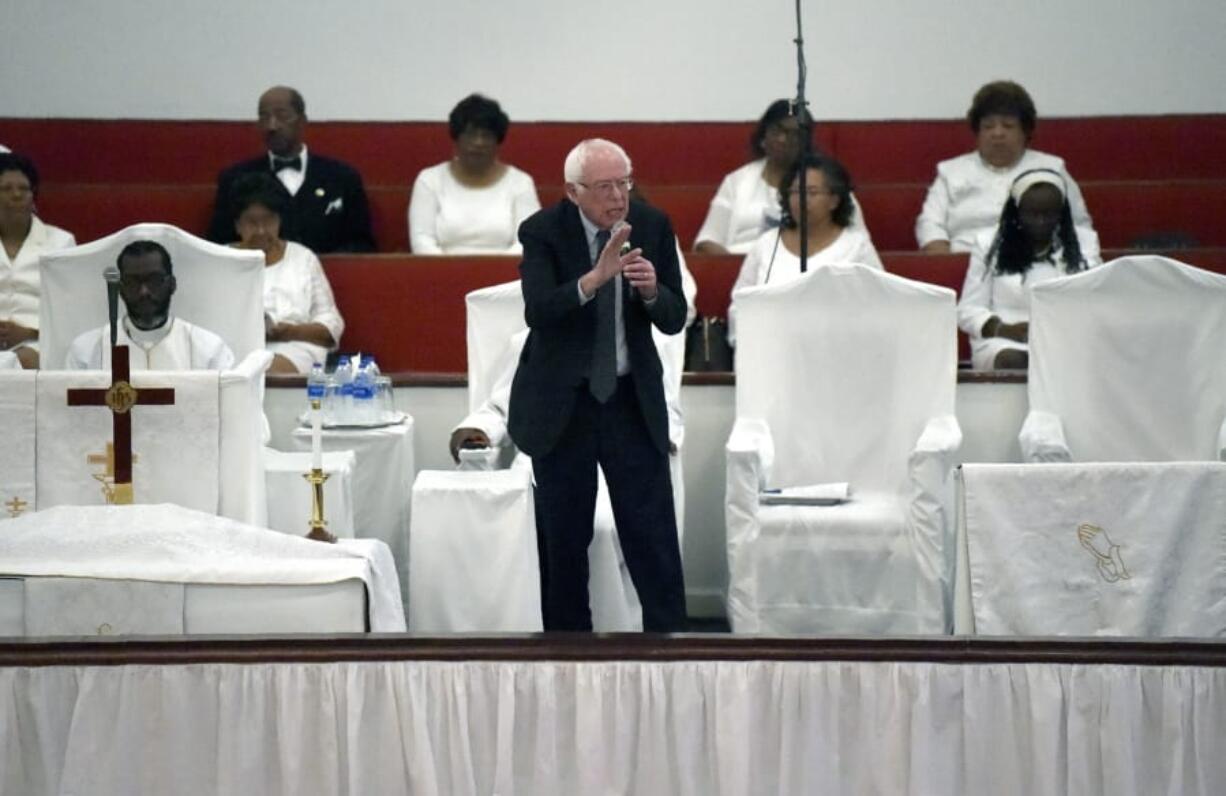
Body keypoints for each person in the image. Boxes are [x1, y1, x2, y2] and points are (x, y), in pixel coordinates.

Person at [509, 138, 688, 632]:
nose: (618, 197)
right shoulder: (543, 231)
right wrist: (594, 279)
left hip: (630, 400)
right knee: (564, 540)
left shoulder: (651, 225)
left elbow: (675, 318)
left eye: (624, 183)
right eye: (605, 186)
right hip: (563, 406)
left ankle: (673, 651)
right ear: (574, 191)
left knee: (651, 536)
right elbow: (539, 311)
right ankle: (569, 657)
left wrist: (653, 292)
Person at [916, 80, 1095, 254]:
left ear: (1025, 131)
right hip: (965, 261)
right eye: (988, 126)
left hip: (1036, 264)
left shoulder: (1052, 168)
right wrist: (946, 265)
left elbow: (1079, 226)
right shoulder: (951, 171)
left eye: (1008, 126)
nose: (997, 133)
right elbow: (930, 225)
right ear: (977, 132)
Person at [728, 154, 883, 345]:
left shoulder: (857, 247)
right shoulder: (767, 244)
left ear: (834, 200)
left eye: (812, 192)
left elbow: (878, 306)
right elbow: (740, 305)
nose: (801, 200)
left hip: (839, 350)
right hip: (771, 351)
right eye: (795, 192)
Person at [957, 169, 1102, 370]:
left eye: (1049, 214)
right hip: (1004, 339)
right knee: (1016, 360)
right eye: (1032, 214)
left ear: (1062, 213)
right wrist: (1002, 329)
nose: (1041, 221)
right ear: (1017, 211)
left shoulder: (1084, 243)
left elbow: (1095, 302)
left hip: (1065, 337)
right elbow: (968, 310)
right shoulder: (988, 243)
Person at [206, 86, 375, 254]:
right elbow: (220, 245)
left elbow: (362, 244)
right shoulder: (236, 178)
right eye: (264, 117)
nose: (272, 126)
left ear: (302, 121)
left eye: (282, 115)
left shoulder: (342, 177)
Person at [693, 99, 867, 255]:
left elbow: (859, 244)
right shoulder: (737, 181)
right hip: (742, 270)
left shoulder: (828, 182)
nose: (783, 139)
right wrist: (741, 270)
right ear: (764, 135)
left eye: (794, 134)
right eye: (777, 130)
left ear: (807, 141)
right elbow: (707, 241)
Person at [227, 173, 344, 375]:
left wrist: (287, 331)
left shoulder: (303, 258)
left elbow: (330, 327)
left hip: (294, 345)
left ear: (280, 220)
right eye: (252, 222)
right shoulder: (219, 258)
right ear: (237, 224)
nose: (262, 231)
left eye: (269, 220)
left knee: (261, 373)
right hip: (232, 350)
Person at [66, 240, 236, 370]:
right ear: (119, 289)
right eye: (133, 282)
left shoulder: (209, 350)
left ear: (172, 284)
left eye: (154, 280)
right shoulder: (86, 352)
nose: (144, 292)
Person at [408, 94, 540, 254]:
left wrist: (493, 272)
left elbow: (528, 241)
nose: (479, 142)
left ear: (498, 141)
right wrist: (450, 272)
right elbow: (422, 241)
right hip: (440, 273)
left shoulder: (520, 182)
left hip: (507, 273)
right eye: (470, 134)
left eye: (486, 136)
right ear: (456, 138)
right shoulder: (429, 180)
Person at [0, 152, 76, 369]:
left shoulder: (61, 242)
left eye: (23, 188)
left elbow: (70, 311)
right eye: (6, 188)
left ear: (33, 195)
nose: (16, 195)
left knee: (26, 361)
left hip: (37, 343)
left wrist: (29, 332)